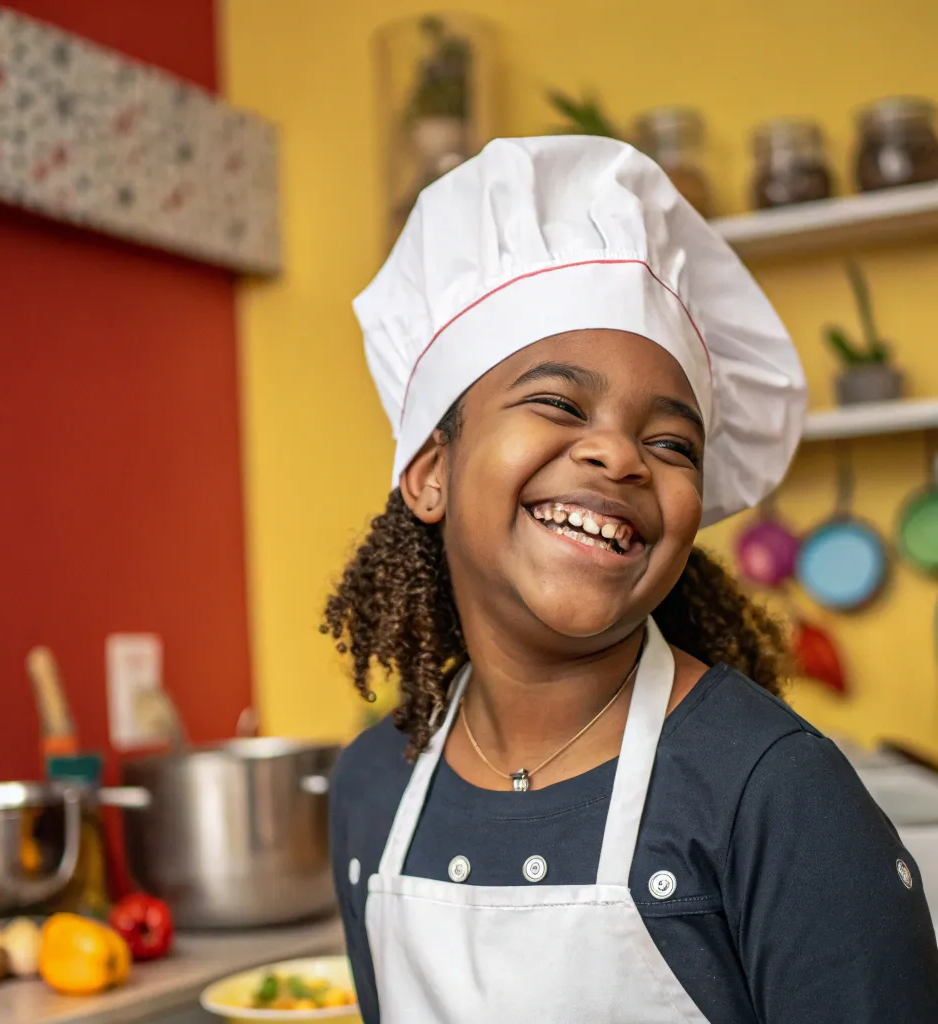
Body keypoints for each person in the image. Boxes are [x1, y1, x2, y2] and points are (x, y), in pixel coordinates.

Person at [323, 136, 938, 1023]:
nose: (618, 454)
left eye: (671, 443)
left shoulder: (774, 793)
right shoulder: (373, 785)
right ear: (429, 473)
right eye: (559, 404)